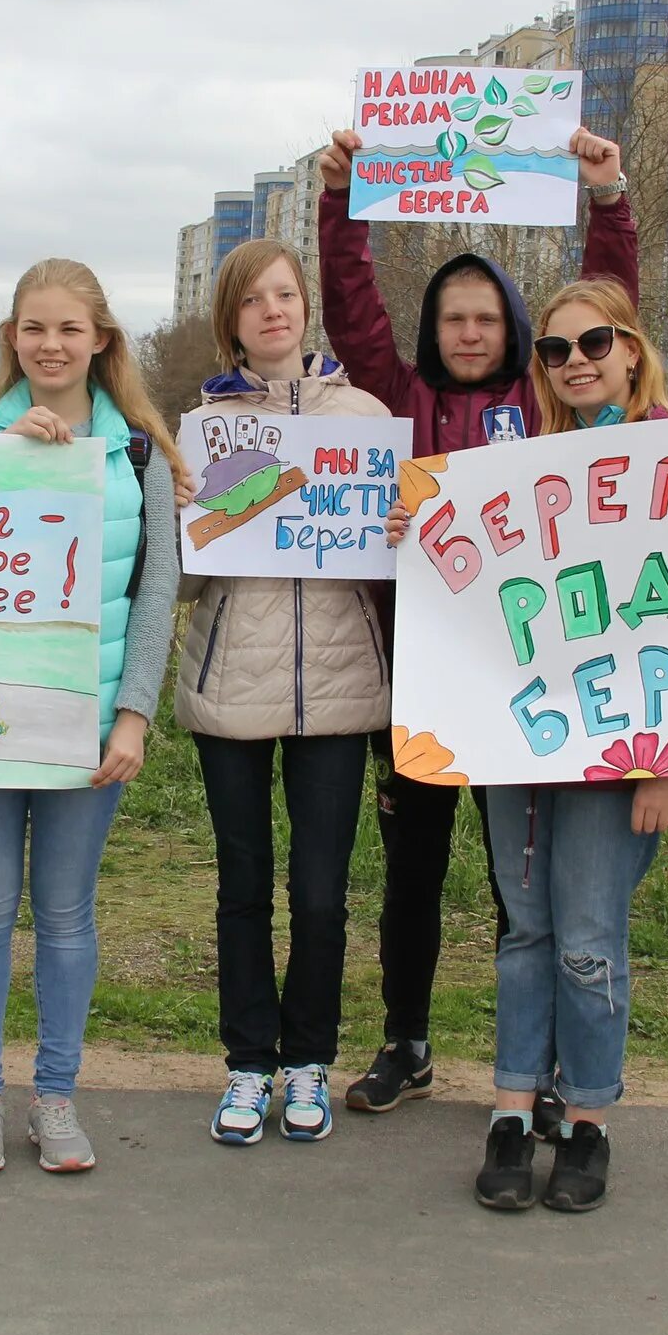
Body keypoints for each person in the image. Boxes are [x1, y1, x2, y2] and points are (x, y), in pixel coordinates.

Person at [316, 124, 640, 1132]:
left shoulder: (540, 406)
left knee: (522, 890)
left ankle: (536, 1066)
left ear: (511, 327)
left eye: (484, 316)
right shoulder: (399, 401)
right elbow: (353, 306)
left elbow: (605, 314)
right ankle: (406, 1040)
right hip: (421, 678)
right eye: (450, 317)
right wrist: (342, 196)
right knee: (412, 875)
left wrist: (609, 200)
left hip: (522, 680)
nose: (466, 332)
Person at [0, 259, 183, 1175]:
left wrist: (134, 716)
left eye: (68, 330)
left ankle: (55, 1095)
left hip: (90, 723)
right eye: (33, 329)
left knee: (66, 912)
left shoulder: (138, 452)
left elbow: (157, 587)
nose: (50, 345)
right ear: (11, 337)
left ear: (101, 340)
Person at [458, 279, 668, 1213]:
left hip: (625, 751)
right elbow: (475, 589)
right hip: (525, 743)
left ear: (631, 349)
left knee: (589, 943)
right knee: (526, 935)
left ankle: (588, 1121)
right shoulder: (522, 462)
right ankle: (514, 1109)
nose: (576, 361)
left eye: (595, 341)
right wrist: (418, 533)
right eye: (555, 350)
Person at [177, 238, 394, 1147]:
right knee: (241, 887)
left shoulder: (367, 417)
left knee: (320, 893)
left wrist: (402, 527)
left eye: (288, 294)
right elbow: (182, 579)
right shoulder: (198, 432)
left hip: (340, 691)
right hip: (232, 686)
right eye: (254, 299)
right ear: (230, 320)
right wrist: (194, 513)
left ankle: (308, 1059)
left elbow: (398, 565)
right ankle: (245, 1065)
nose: (274, 310)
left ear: (307, 306)